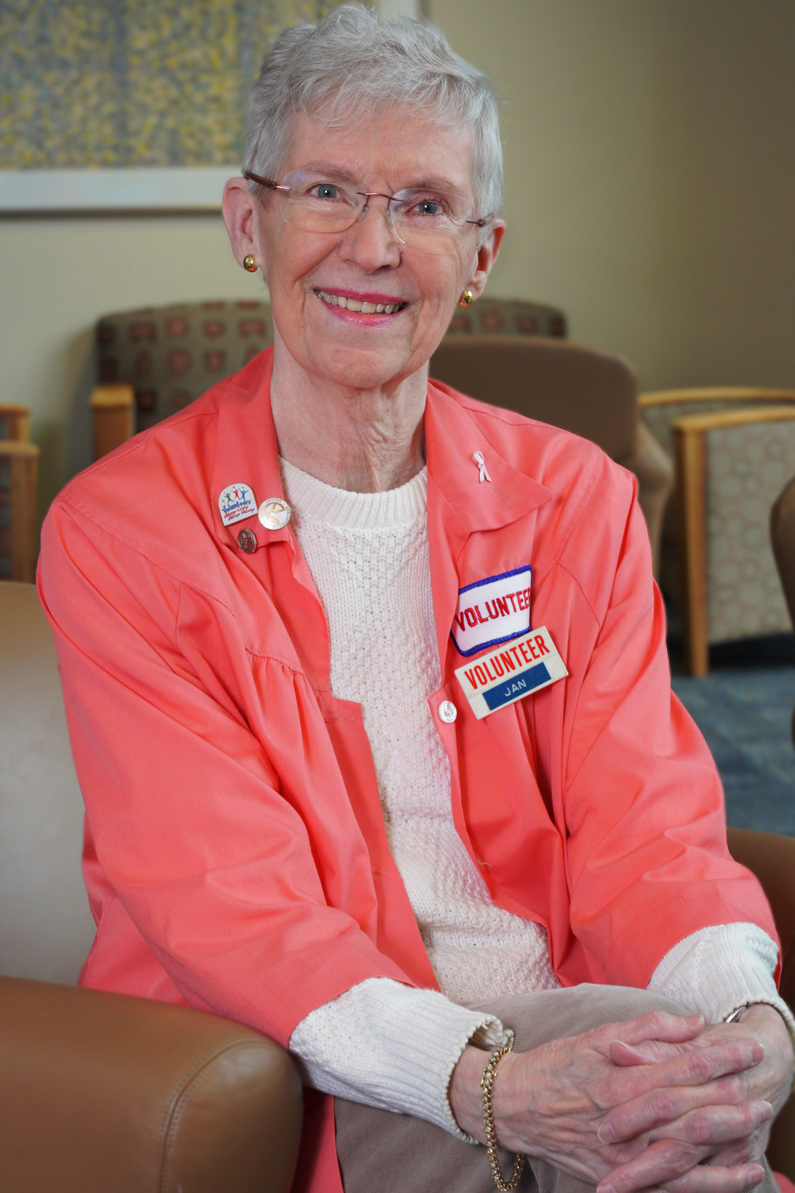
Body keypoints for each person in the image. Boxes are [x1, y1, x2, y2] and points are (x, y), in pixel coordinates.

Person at [38, 7, 793, 1193]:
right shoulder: (127, 533)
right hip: (323, 1064)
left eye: (425, 205)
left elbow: (647, 822)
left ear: (483, 253)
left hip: (579, 1026)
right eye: (328, 190)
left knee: (688, 1101)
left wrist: (748, 1019)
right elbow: (229, 904)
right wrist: (498, 1082)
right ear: (252, 222)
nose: (374, 245)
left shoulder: (575, 500)